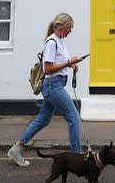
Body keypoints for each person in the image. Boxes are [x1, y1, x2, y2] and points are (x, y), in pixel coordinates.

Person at [7, 13, 83, 167]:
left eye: (71, 28)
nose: (70, 31)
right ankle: (78, 156)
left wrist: (71, 64)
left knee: (43, 119)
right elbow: (47, 69)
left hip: (55, 85)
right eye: (68, 28)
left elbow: (59, 63)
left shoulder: (60, 41)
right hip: (53, 86)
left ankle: (16, 148)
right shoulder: (51, 43)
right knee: (73, 118)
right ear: (59, 26)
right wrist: (69, 62)